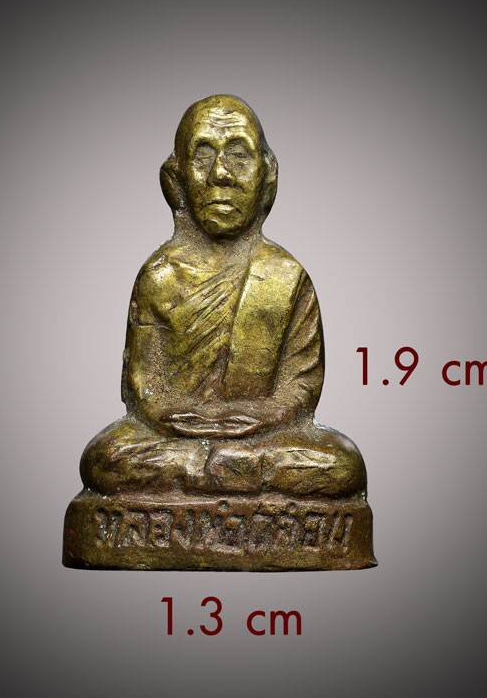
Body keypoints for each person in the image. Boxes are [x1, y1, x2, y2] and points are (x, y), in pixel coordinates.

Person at [80, 95, 366, 498]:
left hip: (260, 436)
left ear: (267, 174)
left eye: (238, 155)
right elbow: (141, 385)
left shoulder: (285, 277)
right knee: (105, 458)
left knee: (341, 463)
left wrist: (257, 417)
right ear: (175, 178)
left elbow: (301, 388)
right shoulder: (159, 276)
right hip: (175, 436)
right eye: (202, 156)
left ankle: (206, 470)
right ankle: (220, 469)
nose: (220, 174)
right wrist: (180, 419)